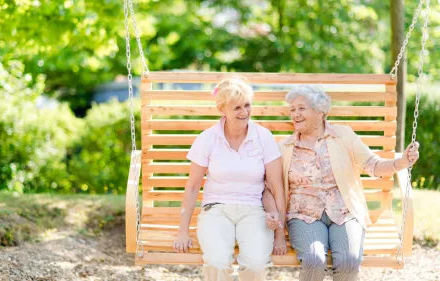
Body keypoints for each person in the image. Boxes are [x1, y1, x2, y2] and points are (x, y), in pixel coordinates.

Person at [264, 85, 420, 281]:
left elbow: (373, 165)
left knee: (349, 262)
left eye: (301, 108)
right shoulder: (285, 147)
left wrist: (402, 162)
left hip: (345, 212)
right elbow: (270, 187)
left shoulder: (343, 135)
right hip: (303, 215)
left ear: (320, 111)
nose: (295, 114)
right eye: (292, 109)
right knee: (313, 262)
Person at [173, 77, 287, 281]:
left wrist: (280, 235)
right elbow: (191, 188)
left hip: (253, 211)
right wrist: (183, 231)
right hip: (216, 210)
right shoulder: (207, 139)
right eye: (236, 108)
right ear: (222, 109)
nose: (244, 112)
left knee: (256, 264)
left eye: (247, 105)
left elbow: (277, 189)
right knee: (216, 262)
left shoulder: (264, 137)